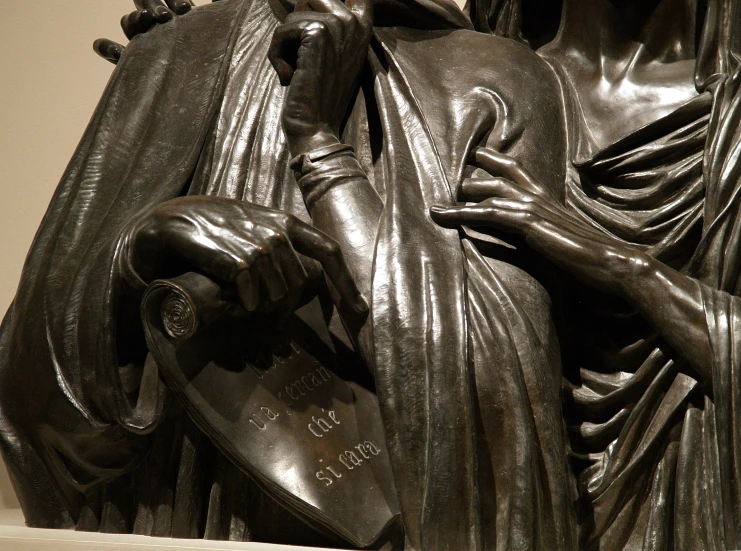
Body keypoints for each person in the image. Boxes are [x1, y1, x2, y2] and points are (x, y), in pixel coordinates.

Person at [0, 0, 579, 549]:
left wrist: (317, 142)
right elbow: (31, 391)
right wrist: (146, 244)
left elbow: (498, 393)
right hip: (182, 522)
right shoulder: (179, 53)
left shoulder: (494, 74)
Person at [433, 0, 741, 548]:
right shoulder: (460, 90)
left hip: (699, 489)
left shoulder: (730, 120)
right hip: (502, 489)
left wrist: (623, 267)